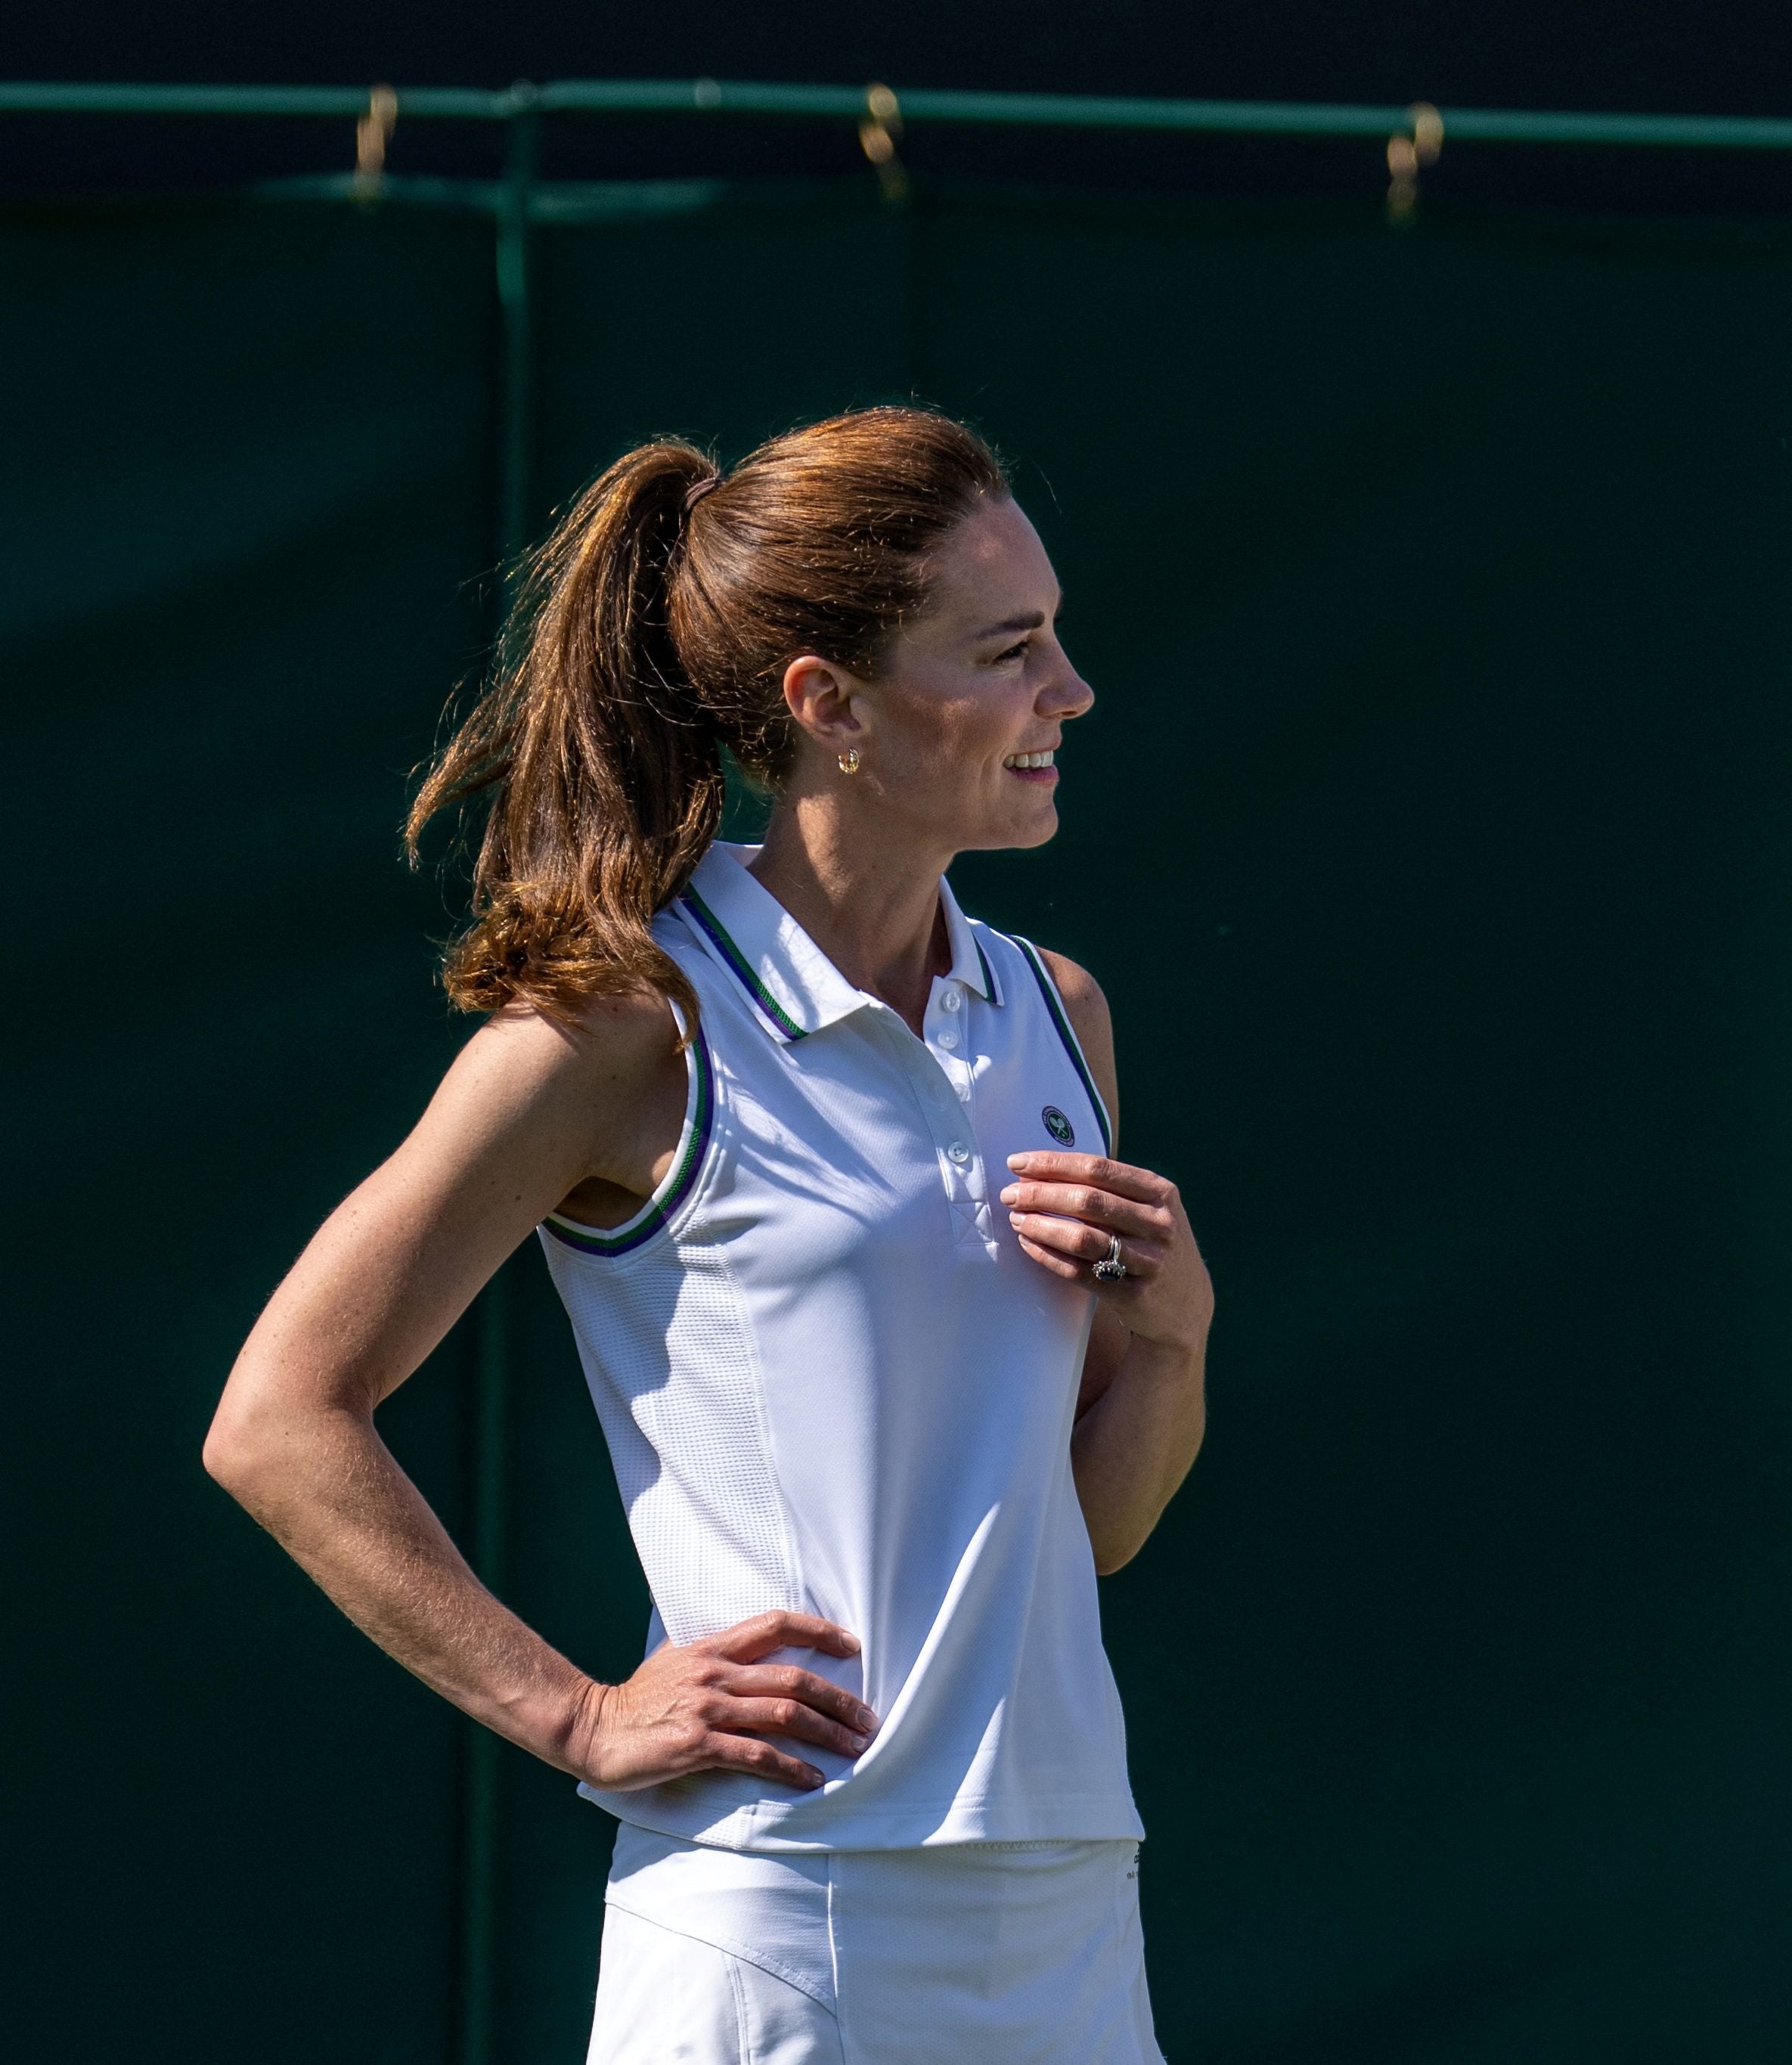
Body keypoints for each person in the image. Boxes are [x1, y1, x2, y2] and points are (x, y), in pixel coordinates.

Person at [204, 406, 1209, 2062]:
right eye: (1011, 649)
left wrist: (1175, 1337)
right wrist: (580, 1715)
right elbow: (279, 1416)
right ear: (831, 706)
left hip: (1075, 1905)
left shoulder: (1058, 1014)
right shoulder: (624, 1032)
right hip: (775, 1921)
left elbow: (1093, 1528)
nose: (1071, 692)